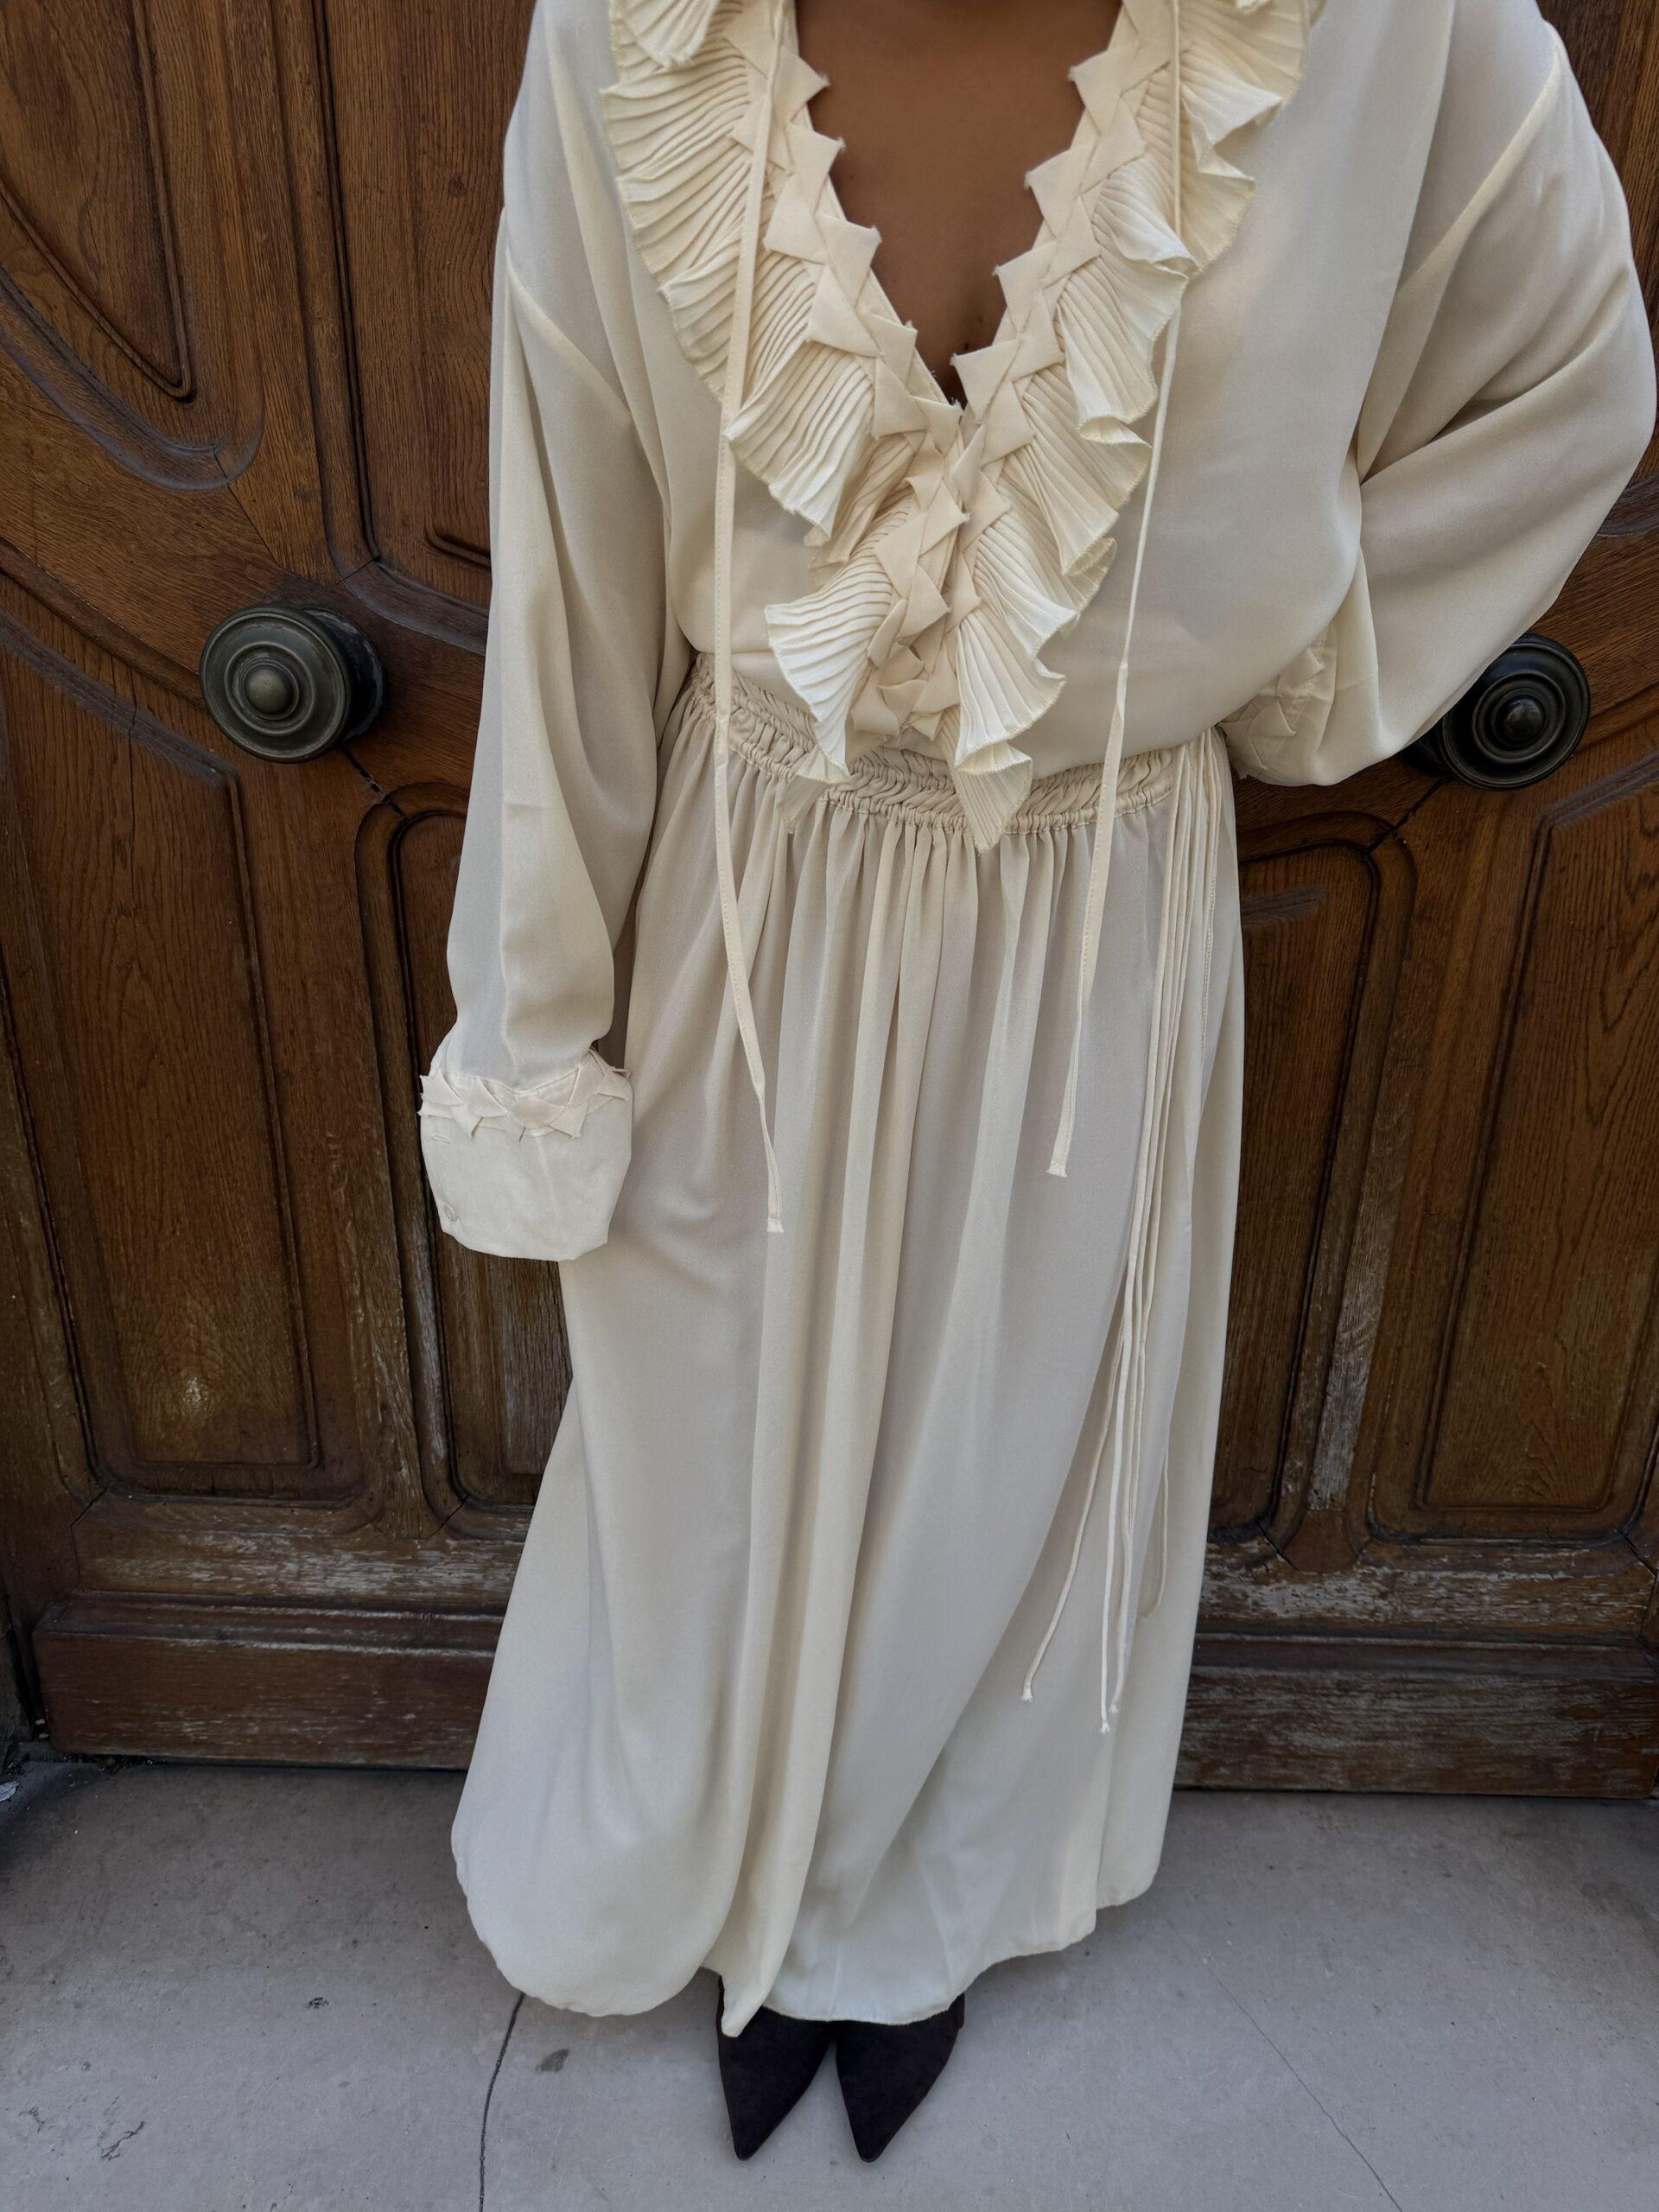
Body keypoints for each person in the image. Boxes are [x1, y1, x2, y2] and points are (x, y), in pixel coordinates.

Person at [419, 0, 1653, 2164]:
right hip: (744, 888)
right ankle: (721, 1863)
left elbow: (1573, 377)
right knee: (704, 1430)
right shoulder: (633, 34)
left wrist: (1290, 656)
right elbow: (573, 551)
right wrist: (537, 1012)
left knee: (1015, 1432)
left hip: (1095, 889)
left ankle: (897, 1913)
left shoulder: (1398, 29)